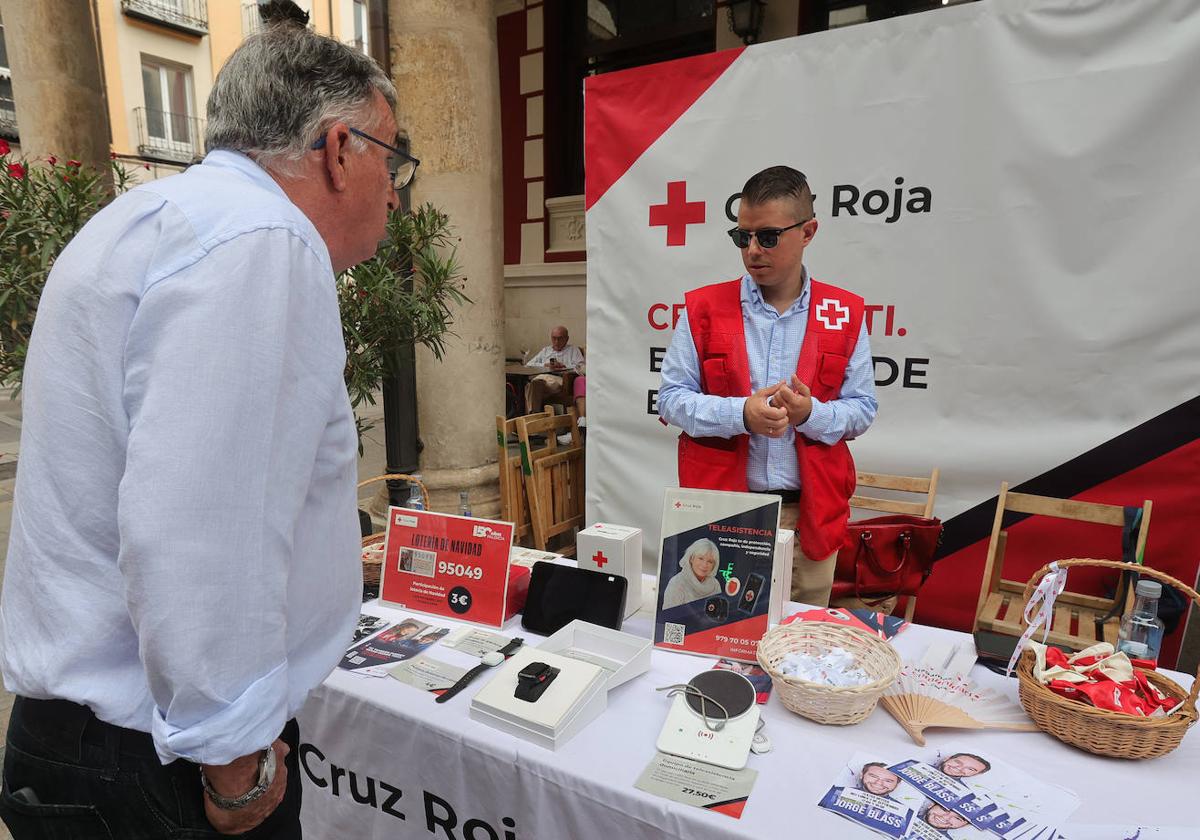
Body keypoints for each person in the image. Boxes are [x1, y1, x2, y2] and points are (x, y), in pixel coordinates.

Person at [0, 15, 407, 839]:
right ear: (339, 149)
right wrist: (235, 764)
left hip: (88, 740)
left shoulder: (146, 219)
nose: (397, 189)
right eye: (393, 159)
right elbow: (201, 536)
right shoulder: (263, 240)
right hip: (161, 763)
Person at [658, 166, 877, 607]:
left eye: (768, 236)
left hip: (811, 514)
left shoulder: (844, 312)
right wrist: (740, 414)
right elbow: (671, 400)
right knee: (717, 628)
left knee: (799, 642)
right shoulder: (703, 308)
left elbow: (863, 409)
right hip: (725, 509)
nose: (753, 250)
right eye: (743, 237)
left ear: (808, 230)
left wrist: (810, 414)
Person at [525, 325, 585, 412]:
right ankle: (533, 414)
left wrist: (564, 366)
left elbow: (581, 367)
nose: (556, 342)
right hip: (542, 377)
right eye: (554, 338)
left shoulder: (573, 350)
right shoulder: (546, 350)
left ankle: (531, 415)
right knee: (532, 384)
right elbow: (529, 364)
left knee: (533, 385)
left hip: (560, 379)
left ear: (567, 338)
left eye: (560, 338)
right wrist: (545, 365)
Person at [661, 537, 723, 609]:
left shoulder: (715, 585)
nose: (704, 564)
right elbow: (669, 615)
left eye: (710, 561)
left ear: (714, 565)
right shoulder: (676, 583)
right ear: (691, 558)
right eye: (700, 558)